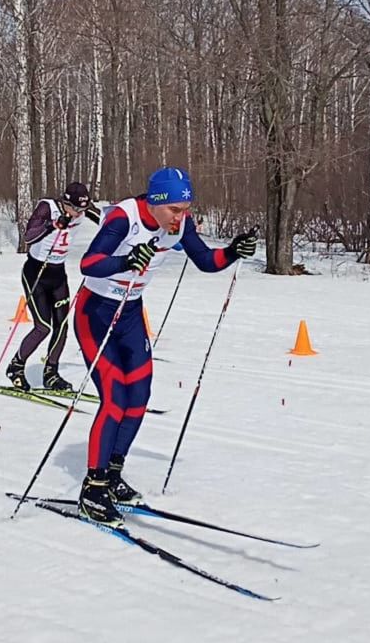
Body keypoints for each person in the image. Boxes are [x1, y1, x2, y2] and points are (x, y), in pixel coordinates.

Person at [74, 166, 258, 526]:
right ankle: (92, 489)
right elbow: (89, 264)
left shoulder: (180, 224)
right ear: (156, 203)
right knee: (114, 400)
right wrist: (126, 260)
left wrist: (234, 251)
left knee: (138, 397)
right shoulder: (124, 218)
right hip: (94, 313)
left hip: (130, 314)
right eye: (175, 210)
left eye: (185, 208)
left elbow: (206, 261)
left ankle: (112, 474)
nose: (181, 217)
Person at [6, 181, 101, 393]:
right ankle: (16, 367)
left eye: (82, 210)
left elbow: (109, 221)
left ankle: (51, 372)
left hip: (58, 274)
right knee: (43, 327)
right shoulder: (47, 207)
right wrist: (53, 225)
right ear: (65, 202)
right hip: (36, 273)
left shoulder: (83, 210)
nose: (79, 214)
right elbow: (29, 236)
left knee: (62, 326)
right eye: (75, 209)